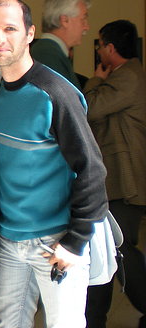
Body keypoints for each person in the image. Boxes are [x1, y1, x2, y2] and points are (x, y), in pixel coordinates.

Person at [0, 0, 107, 328]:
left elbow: (92, 170)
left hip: (56, 240)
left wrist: (75, 241)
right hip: (9, 240)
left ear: (29, 34)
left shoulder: (56, 93)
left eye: (10, 29)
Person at [83, 20, 146, 328]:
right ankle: (95, 318)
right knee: (111, 249)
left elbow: (88, 107)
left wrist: (94, 80)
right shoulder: (127, 75)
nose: (98, 51)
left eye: (99, 44)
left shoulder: (127, 77)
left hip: (127, 183)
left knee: (120, 250)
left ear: (109, 48)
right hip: (120, 182)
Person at [30, 0, 91, 89]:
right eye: (83, 19)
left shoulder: (50, 52)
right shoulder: (47, 54)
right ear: (64, 20)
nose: (86, 27)